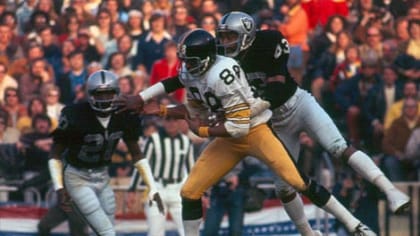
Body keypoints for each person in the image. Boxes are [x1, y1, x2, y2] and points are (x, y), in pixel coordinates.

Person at [115, 29, 376, 236]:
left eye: (190, 61)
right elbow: (183, 97)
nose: (185, 66)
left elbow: (236, 127)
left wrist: (202, 129)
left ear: (205, 59)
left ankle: (355, 226)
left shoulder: (223, 73)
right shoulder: (195, 70)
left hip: (254, 131)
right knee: (190, 192)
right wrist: (149, 103)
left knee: (298, 183)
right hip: (227, 135)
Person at [214, 11, 409, 236]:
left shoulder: (268, 41)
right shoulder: (225, 62)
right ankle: (307, 232)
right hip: (273, 122)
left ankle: (391, 190)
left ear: (247, 34)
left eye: (230, 36)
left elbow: (277, 88)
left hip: (297, 105)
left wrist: (251, 109)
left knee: (339, 147)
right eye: (223, 37)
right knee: (283, 187)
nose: (226, 42)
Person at [47, 70, 164, 236]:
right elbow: (55, 154)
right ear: (90, 95)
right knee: (107, 232)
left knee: (107, 227)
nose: (104, 99)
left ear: (117, 93)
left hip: (102, 175)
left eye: (108, 94)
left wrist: (152, 187)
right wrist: (59, 187)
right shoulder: (75, 114)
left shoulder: (125, 113)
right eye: (99, 95)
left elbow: (137, 154)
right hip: (77, 177)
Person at [129, 100, 195, 236]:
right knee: (155, 232)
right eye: (168, 119)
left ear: (179, 122)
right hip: (157, 189)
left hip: (178, 189)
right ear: (162, 121)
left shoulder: (186, 141)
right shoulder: (153, 139)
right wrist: (132, 189)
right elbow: (142, 164)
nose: (171, 123)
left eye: (174, 120)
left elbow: (191, 169)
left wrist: (199, 193)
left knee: (189, 231)